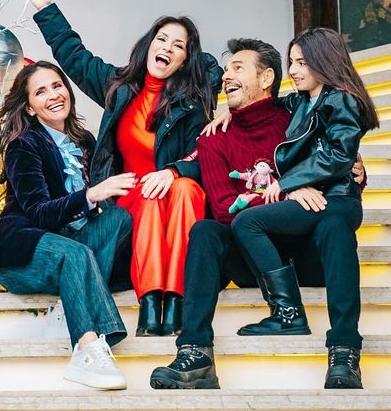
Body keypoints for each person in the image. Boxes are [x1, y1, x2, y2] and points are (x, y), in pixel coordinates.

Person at [151, 33, 373, 391]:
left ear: (267, 78)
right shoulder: (213, 137)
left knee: (334, 223)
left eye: (237, 67)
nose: (225, 76)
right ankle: (195, 355)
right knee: (206, 231)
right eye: (225, 70)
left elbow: (334, 152)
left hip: (308, 251)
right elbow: (225, 210)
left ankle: (345, 354)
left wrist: (354, 172)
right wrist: (289, 192)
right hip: (255, 258)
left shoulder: (296, 113)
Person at [22, 0, 221, 336]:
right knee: (147, 195)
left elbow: (201, 154)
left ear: (183, 61)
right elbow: (75, 57)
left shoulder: (191, 103)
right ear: (148, 44)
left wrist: (174, 172)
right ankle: (150, 302)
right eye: (162, 39)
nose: (167, 48)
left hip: (172, 194)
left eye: (179, 46)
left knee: (186, 189)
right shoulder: (118, 86)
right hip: (130, 197)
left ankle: (176, 300)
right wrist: (45, 8)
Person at [0, 61, 136, 390]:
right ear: (29, 106)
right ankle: (86, 349)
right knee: (75, 253)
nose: (53, 95)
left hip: (73, 246)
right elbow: (39, 212)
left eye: (57, 86)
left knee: (119, 219)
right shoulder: (24, 145)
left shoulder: (85, 141)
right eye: (41, 92)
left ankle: (72, 305)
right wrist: (90, 195)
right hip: (26, 249)